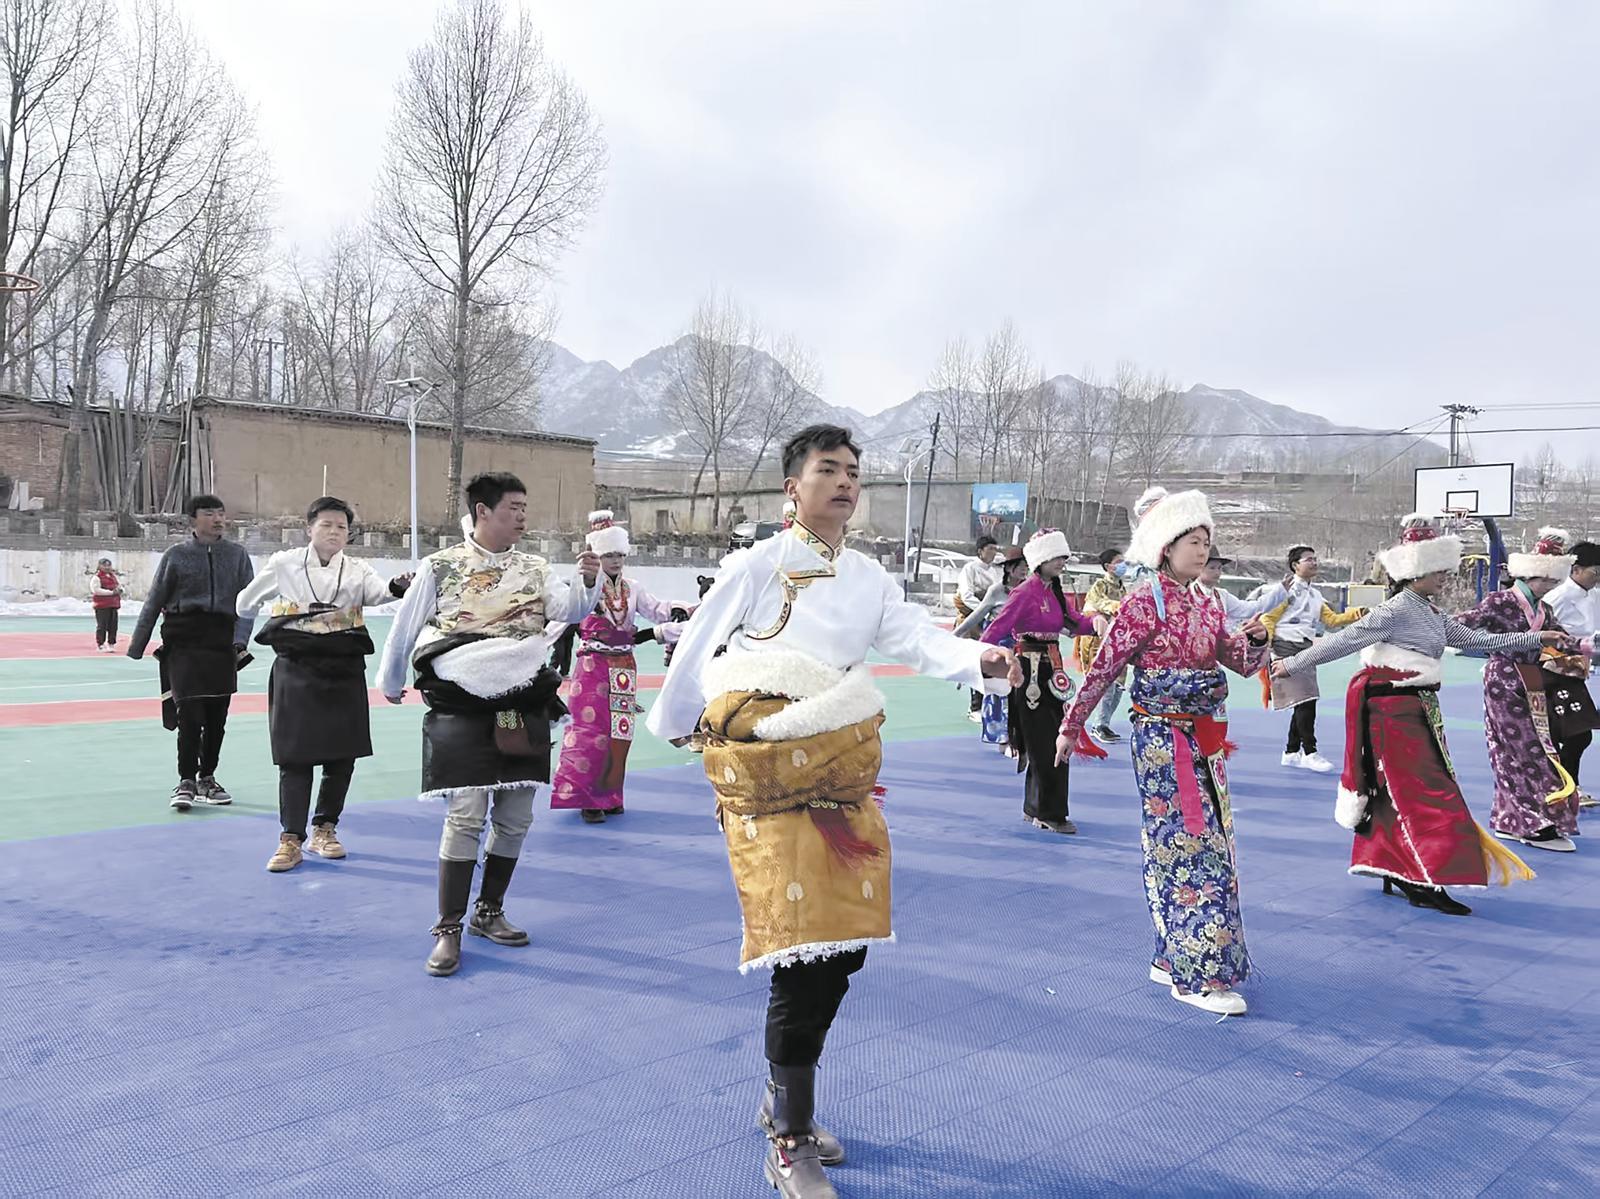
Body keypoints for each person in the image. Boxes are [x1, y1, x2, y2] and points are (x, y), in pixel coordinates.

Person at [645, 424, 1018, 1199]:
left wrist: (976, 658)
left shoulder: (870, 577)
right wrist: (687, 727)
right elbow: (698, 647)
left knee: (843, 949)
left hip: (841, 770)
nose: (846, 481)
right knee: (800, 950)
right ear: (793, 486)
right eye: (829, 469)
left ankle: (783, 1097)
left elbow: (915, 638)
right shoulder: (758, 564)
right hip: (770, 773)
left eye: (853, 471)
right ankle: (790, 1135)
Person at [1272, 515, 1571, 916]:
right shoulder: (1396, 611)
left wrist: (1537, 637)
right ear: (1416, 572)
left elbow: (1477, 639)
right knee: (1426, 794)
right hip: (1392, 712)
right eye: (1438, 569)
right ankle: (1421, 876)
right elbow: (1344, 641)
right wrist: (1291, 665)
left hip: (1418, 709)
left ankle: (1397, 868)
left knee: (1400, 793)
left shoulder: (1430, 612)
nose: (1446, 576)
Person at [1057, 487, 1269, 1016]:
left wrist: (1256, 641)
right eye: (1193, 541)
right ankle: (1197, 975)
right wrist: (1072, 725)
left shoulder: (1208, 601)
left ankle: (1170, 955)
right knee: (1189, 844)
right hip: (1161, 738)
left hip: (1204, 736)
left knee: (1201, 841)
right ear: (1166, 547)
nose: (1203, 550)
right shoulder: (1142, 602)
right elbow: (1105, 666)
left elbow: (1239, 662)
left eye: (1206, 541)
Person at [378, 472, 600, 978]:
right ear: (482, 510)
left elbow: (569, 609)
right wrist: (391, 680)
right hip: (463, 702)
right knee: (466, 815)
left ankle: (489, 911)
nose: (522, 516)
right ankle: (448, 927)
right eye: (513, 507)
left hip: (521, 699)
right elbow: (404, 629)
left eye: (524, 507)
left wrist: (587, 581)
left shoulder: (535, 568)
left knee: (516, 816)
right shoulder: (441, 566)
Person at [236, 497, 409, 872]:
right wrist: (287, 613)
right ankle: (290, 839)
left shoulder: (358, 568)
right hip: (296, 666)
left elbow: (380, 592)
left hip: (344, 667)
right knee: (294, 756)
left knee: (342, 755)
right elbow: (245, 603)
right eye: (326, 524)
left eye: (342, 527)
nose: (334, 532)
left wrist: (398, 585)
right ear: (309, 528)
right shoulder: (284, 563)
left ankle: (325, 829)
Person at [1456, 529, 1593, 852]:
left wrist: (1591, 645)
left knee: (1526, 749)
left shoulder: (1544, 609)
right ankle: (1530, 821)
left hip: (1532, 681)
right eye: (1548, 580)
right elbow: (1461, 624)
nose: (1552, 586)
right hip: (1503, 679)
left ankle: (1511, 818)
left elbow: (1563, 641)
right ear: (1532, 574)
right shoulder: (1500, 601)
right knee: (1523, 750)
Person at [550, 510, 688, 824]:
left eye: (620, 555)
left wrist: (682, 608)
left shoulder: (633, 588)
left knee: (619, 733)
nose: (616, 561)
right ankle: (587, 799)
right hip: (592, 666)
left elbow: (657, 610)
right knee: (589, 731)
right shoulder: (585, 588)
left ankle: (610, 796)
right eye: (609, 555)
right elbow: (561, 619)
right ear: (597, 556)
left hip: (624, 666)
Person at [126, 495, 255, 811]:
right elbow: (155, 600)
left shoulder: (238, 556)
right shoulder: (176, 555)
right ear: (192, 520)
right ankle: (186, 780)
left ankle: (207, 778)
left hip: (221, 643)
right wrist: (137, 644)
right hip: (183, 641)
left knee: (217, 716)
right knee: (189, 713)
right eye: (209, 513)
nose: (218, 519)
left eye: (221, 513)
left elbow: (248, 604)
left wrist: (240, 641)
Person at [980, 529, 1107, 835]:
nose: (1062, 562)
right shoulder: (1025, 592)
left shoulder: (1055, 591)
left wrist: (1096, 621)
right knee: (1046, 742)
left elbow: (1074, 622)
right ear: (1041, 559)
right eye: (1056, 557)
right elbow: (996, 630)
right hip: (1030, 673)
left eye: (1063, 557)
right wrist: (981, 658)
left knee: (1048, 740)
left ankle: (1035, 807)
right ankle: (1050, 812)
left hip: (1051, 670)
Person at [1262, 546, 1366, 773]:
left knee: (1304, 700)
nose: (1314, 563)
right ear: (1295, 565)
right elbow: (1268, 618)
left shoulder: (1316, 595)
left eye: (1315, 559)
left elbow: (1332, 620)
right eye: (1309, 559)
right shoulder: (1286, 592)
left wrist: (1357, 613)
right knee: (1307, 701)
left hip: (1306, 649)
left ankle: (1291, 752)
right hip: (1285, 647)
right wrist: (1268, 647)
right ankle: (1310, 752)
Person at [954, 544, 1028, 750]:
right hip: (998, 645)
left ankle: (1017, 734)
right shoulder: (997, 591)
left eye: (1026, 566)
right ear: (1009, 568)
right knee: (998, 691)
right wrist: (954, 636)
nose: (1025, 570)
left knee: (1020, 691)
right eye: (1021, 566)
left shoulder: (1028, 590)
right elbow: (977, 615)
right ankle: (1001, 736)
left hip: (1021, 646)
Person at [1546, 540, 1600, 808]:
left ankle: (1565, 787)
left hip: (1576, 671)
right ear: (1576, 569)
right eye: (1595, 572)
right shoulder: (1557, 597)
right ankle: (1566, 788)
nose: (1597, 578)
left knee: (1573, 733)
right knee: (1576, 733)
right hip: (1552, 673)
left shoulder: (1592, 595)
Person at [1076, 547, 1128, 744]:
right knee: (1104, 683)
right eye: (1119, 561)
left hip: (1117, 641)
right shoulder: (1100, 585)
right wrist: (1121, 607)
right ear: (1108, 566)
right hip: (1096, 640)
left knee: (1118, 685)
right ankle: (1097, 724)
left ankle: (1105, 722)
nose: (1123, 565)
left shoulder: (1123, 588)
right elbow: (1100, 603)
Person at [955, 535, 1001, 719]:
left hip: (991, 621)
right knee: (976, 663)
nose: (993, 552)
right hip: (972, 620)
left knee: (991, 663)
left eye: (995, 549)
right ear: (980, 551)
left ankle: (990, 706)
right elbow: (966, 595)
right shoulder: (970, 569)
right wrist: (985, 610)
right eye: (990, 548)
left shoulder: (995, 572)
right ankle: (975, 707)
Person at [1192, 548, 1285, 632]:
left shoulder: (1221, 595)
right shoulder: (1189, 593)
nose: (1217, 572)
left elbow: (1250, 609)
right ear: (1199, 568)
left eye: (1219, 568)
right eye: (1212, 568)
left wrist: (1279, 592)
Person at [90, 557, 122, 652]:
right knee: (102, 626)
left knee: (113, 626)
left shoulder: (112, 576)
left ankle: (111, 643)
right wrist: (111, 592)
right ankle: (100, 644)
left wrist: (120, 590)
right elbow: (96, 590)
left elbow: (118, 586)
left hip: (113, 605)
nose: (107, 567)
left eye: (109, 565)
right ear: (100, 566)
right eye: (104, 565)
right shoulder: (96, 578)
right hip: (101, 605)